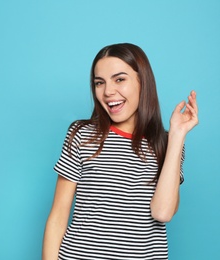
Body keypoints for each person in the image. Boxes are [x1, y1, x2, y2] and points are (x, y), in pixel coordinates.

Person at [42, 43, 198, 260]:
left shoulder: (167, 144)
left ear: (142, 82)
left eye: (119, 79)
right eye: (99, 83)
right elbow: (58, 215)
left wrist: (177, 136)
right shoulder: (82, 134)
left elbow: (163, 213)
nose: (107, 91)